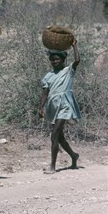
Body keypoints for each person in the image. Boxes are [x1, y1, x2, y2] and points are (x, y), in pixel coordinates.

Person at [39, 39, 80, 174]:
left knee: (54, 135)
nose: (55, 61)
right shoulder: (48, 76)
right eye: (52, 60)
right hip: (52, 107)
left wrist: (75, 46)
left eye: (57, 59)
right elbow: (45, 93)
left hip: (65, 106)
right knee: (60, 137)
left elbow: (77, 61)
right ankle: (73, 155)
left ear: (63, 60)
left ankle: (52, 166)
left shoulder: (68, 71)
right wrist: (41, 107)